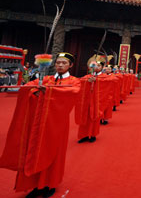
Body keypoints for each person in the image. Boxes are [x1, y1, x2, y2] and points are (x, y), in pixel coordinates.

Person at [0, 53, 81, 198]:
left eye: (64, 63)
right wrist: (35, 91)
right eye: (58, 63)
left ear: (71, 65)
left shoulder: (74, 81)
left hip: (57, 124)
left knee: (54, 153)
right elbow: (27, 87)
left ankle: (50, 184)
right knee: (34, 149)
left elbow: (73, 92)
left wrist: (49, 91)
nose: (60, 65)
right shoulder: (46, 79)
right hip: (37, 122)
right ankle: (35, 184)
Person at [76, 57, 115, 143]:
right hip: (87, 100)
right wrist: (88, 81)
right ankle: (83, 135)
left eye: (98, 66)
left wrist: (97, 81)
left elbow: (110, 82)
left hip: (97, 100)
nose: (96, 67)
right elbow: (81, 81)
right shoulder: (88, 76)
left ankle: (93, 135)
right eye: (95, 65)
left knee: (94, 116)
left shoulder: (104, 77)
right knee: (85, 117)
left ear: (102, 67)